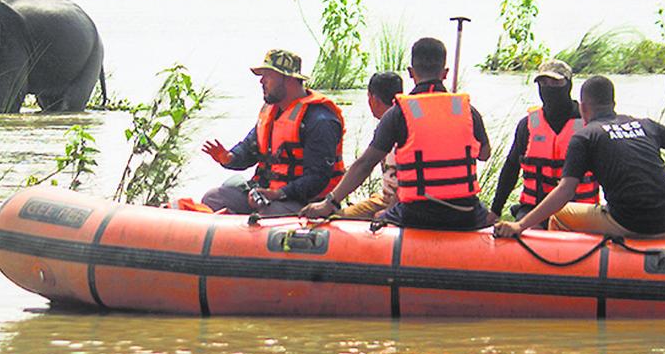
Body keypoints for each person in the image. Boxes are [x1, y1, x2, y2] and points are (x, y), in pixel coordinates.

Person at [303, 37, 493, 229]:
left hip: (415, 214)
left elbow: (365, 164)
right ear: (445, 73)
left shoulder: (399, 113)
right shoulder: (467, 110)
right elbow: (484, 154)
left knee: (378, 216)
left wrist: (330, 203)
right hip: (465, 213)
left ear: (411, 72)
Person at [493, 75, 665, 239]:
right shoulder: (645, 124)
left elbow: (566, 191)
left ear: (583, 107)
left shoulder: (586, 135)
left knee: (558, 214)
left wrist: (520, 225)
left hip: (632, 223)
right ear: (613, 103)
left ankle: (568, 277)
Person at [201, 49, 345, 216]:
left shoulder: (320, 120)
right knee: (213, 198)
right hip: (264, 195)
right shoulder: (271, 113)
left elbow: (317, 179)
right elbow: (249, 148)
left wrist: (279, 194)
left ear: (288, 78)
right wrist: (229, 158)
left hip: (303, 200)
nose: (261, 81)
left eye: (268, 75)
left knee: (270, 212)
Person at [489, 59, 599, 225]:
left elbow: (610, 171)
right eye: (543, 83)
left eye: (555, 83)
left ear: (568, 85)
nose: (548, 88)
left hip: (580, 209)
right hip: (534, 209)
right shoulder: (527, 125)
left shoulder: (589, 124)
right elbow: (511, 169)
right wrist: (495, 210)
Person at [339, 71, 404, 219]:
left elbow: (365, 164)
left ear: (373, 99)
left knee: (338, 218)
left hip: (396, 202)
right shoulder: (406, 122)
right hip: (386, 198)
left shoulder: (393, 127)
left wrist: (389, 210)